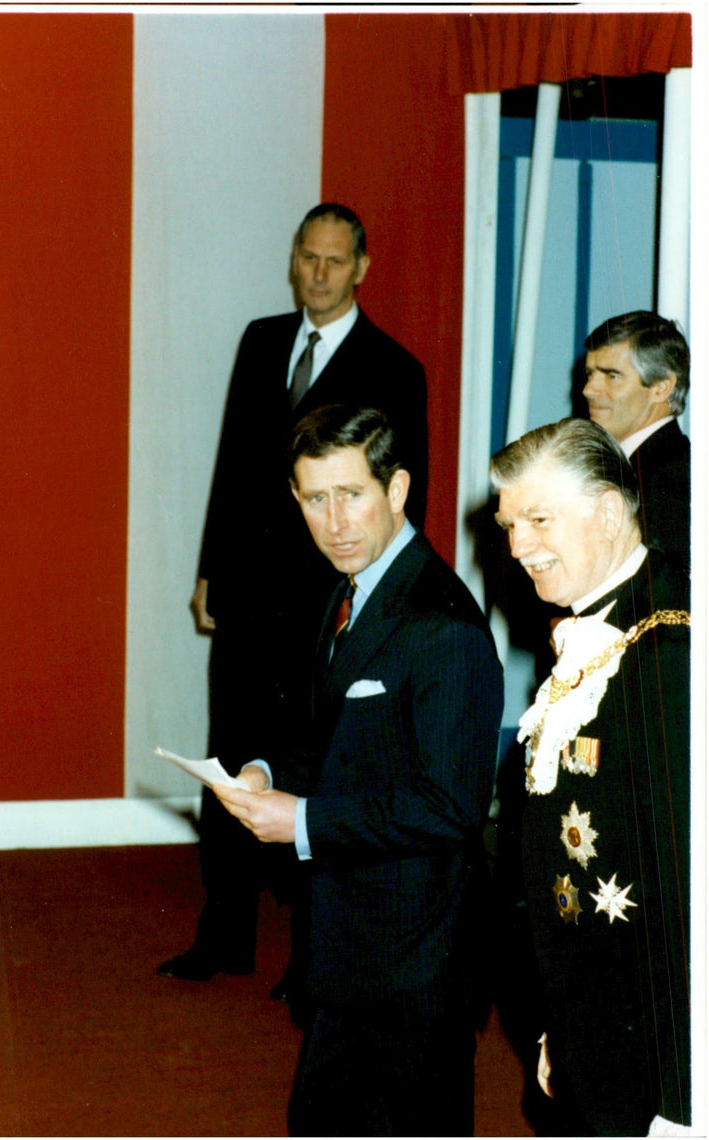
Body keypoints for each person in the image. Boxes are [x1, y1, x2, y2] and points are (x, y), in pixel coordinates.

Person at [213, 404, 503, 1137]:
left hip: (414, 961)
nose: (335, 521)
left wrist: (302, 820)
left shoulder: (443, 625)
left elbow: (450, 808)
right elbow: (338, 739)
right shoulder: (349, 591)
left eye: (353, 494)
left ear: (398, 490)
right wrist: (263, 770)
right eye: (315, 498)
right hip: (349, 943)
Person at [158, 203, 428, 984]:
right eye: (306, 256)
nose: (317, 273)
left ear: (362, 268)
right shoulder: (262, 340)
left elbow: (404, 499)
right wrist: (210, 568)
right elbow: (235, 462)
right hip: (246, 595)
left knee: (317, 768)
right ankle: (225, 933)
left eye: (334, 261)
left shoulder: (394, 368)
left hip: (326, 603)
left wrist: (375, 602)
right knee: (232, 755)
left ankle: (314, 956)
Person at [490, 418, 690, 1136]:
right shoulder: (596, 629)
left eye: (539, 519)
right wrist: (556, 1027)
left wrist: (683, 1105)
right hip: (588, 1033)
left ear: (609, 512)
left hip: (654, 1069)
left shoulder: (669, 653)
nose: (517, 546)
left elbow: (688, 899)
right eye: (509, 523)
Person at [583, 310, 690, 569]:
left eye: (611, 375)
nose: (588, 390)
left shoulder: (674, 481)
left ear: (661, 387)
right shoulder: (624, 469)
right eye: (589, 374)